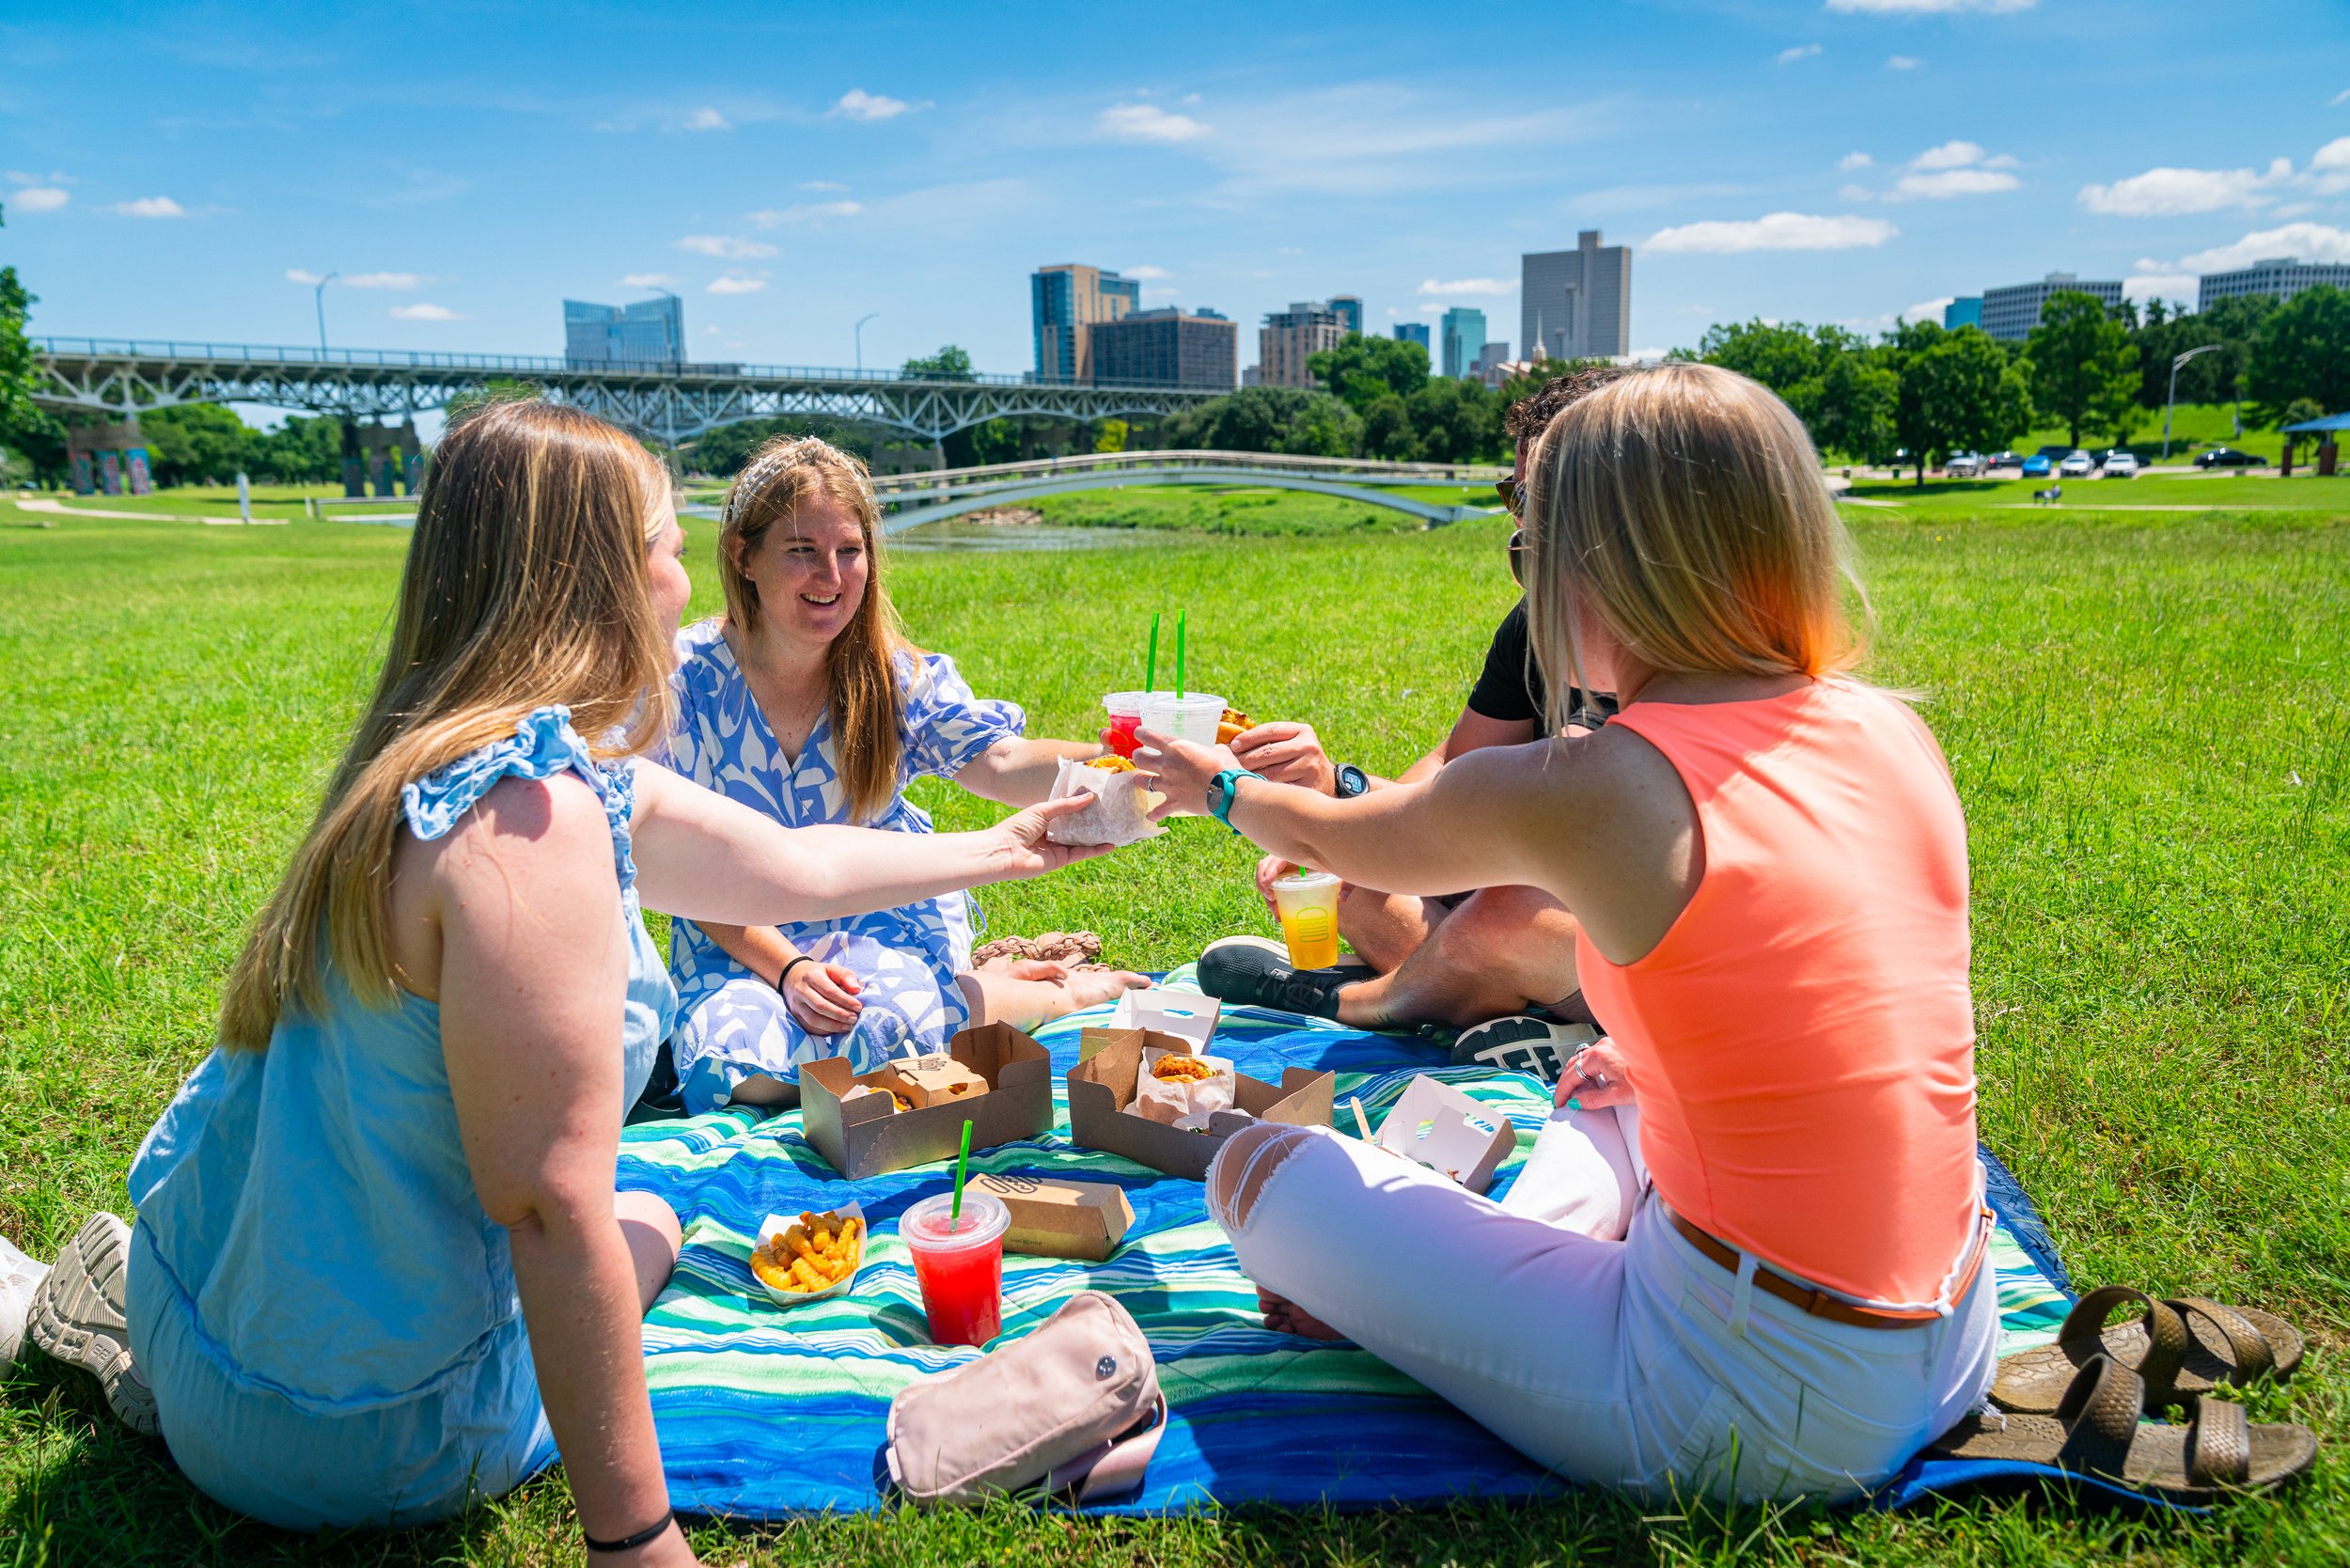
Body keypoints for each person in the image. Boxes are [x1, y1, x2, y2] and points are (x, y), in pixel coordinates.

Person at [25, 402, 1108, 1554]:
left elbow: (792, 863)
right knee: (639, 1213)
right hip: (374, 1445)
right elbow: (549, 1209)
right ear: (597, 575)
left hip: (203, 1327)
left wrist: (1017, 844)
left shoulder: (443, 753)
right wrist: (638, 1543)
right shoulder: (528, 831)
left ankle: (109, 1324)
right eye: (667, 547)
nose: (688, 586)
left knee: (630, 1206)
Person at [1137, 362, 1994, 1503]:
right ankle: (1471, 1281)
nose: (1528, 580)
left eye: (1532, 548)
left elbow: (1368, 842)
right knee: (1610, 1085)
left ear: (1599, 563)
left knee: (1257, 1164)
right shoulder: (1887, 730)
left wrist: (1221, 790)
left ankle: (1432, 1297)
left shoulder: (1600, 782)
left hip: (1752, 1408)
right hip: (1950, 1338)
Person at [663, 436, 1145, 1113]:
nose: (830, 576)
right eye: (802, 550)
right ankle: (987, 988)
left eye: (849, 551)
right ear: (744, 556)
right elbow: (684, 869)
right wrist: (790, 969)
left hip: (875, 908)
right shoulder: (683, 682)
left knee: (892, 1039)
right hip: (737, 926)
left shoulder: (891, 673)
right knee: (733, 1071)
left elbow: (1000, 761)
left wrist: (1113, 763)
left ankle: (1048, 994)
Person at [1202, 368, 1624, 1070]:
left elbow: (1494, 825)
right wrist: (1338, 794)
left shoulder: (1681, 655)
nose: (1520, 524)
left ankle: (1368, 1000)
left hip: (1618, 933)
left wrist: (1242, 796)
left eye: (1532, 498)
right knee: (1354, 879)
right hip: (1522, 880)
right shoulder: (1536, 623)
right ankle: (1481, 1009)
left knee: (1507, 913)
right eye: (1512, 496)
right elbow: (1455, 771)